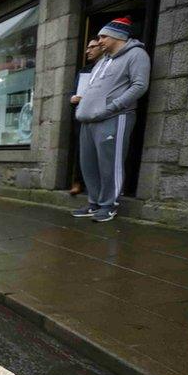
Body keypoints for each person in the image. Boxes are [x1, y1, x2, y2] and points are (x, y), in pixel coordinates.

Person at [74, 17, 151, 223]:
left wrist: (111, 107)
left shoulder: (136, 55)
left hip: (115, 117)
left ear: (118, 36)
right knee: (88, 164)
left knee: (110, 163)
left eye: (103, 36)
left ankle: (109, 205)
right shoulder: (103, 61)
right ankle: (94, 202)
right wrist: (83, 107)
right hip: (88, 120)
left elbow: (139, 86)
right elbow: (91, 89)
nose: (99, 41)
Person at [67, 39, 104, 196]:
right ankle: (78, 181)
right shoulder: (84, 71)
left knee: (101, 150)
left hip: (102, 114)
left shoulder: (108, 69)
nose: (88, 50)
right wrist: (73, 98)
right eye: (87, 47)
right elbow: (74, 92)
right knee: (80, 150)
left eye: (92, 47)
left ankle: (99, 186)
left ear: (102, 48)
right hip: (82, 115)